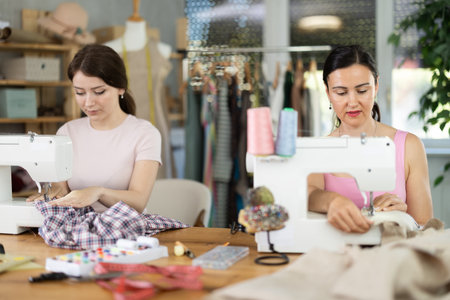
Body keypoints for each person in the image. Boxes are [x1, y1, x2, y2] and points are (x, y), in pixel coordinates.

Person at [308, 45, 433, 233]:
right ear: (328, 93)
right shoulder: (317, 151)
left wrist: (402, 214)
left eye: (362, 91)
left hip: (391, 255)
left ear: (376, 86)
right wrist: (333, 201)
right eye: (341, 93)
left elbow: (425, 227)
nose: (352, 102)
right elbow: (310, 195)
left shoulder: (409, 147)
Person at [27, 44, 162, 214]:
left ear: (121, 88)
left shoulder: (145, 134)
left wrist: (98, 192)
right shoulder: (67, 133)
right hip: (78, 230)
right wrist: (50, 195)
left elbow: (138, 201)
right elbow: (61, 190)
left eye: (99, 92)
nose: (89, 102)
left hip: (125, 232)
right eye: (80, 93)